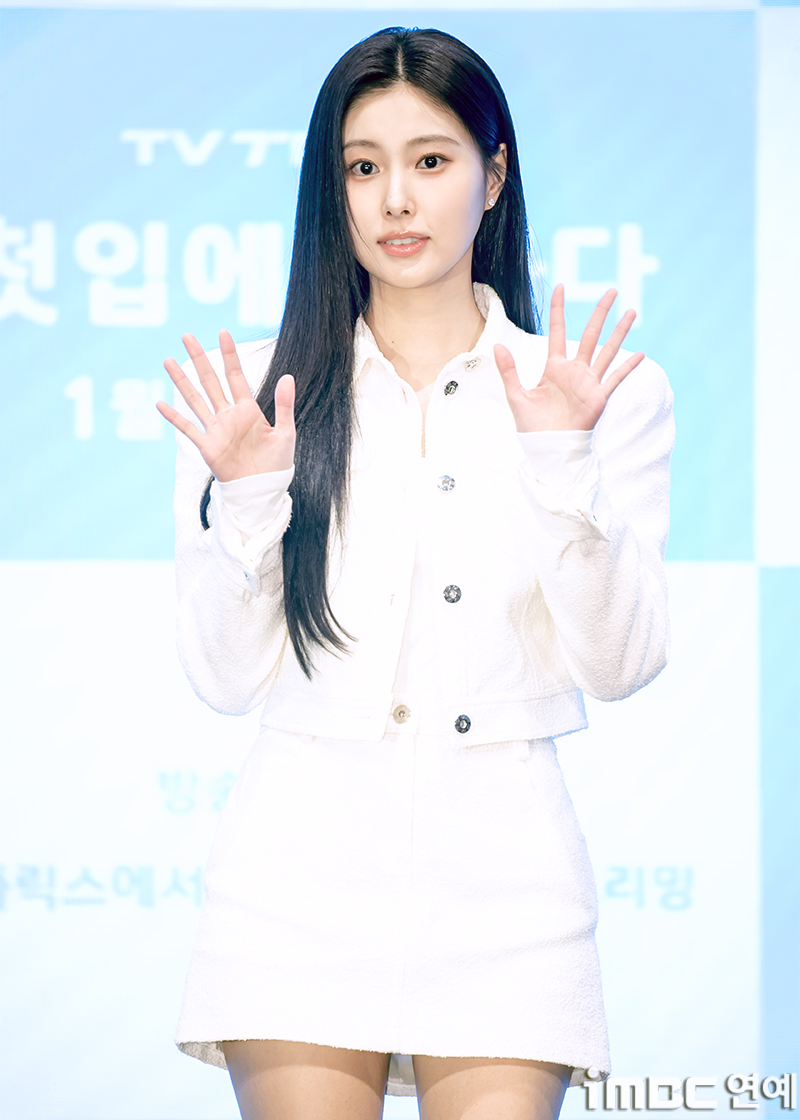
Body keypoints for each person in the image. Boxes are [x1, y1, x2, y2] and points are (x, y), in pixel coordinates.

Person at [157, 25, 674, 1120]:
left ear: (494, 174)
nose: (395, 198)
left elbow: (622, 663)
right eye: (362, 166)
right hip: (294, 884)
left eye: (431, 160)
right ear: (331, 187)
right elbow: (222, 678)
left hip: (508, 884)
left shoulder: (595, 391)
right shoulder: (255, 392)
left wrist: (561, 466)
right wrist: (249, 498)